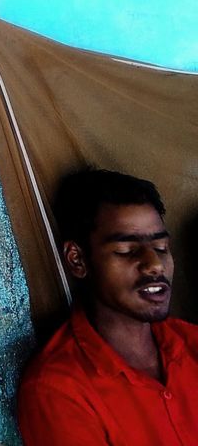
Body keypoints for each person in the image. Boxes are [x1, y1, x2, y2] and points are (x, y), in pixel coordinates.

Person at [17, 168, 198, 446]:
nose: (155, 265)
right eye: (127, 251)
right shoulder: (58, 389)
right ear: (77, 260)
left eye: (161, 247)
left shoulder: (191, 343)